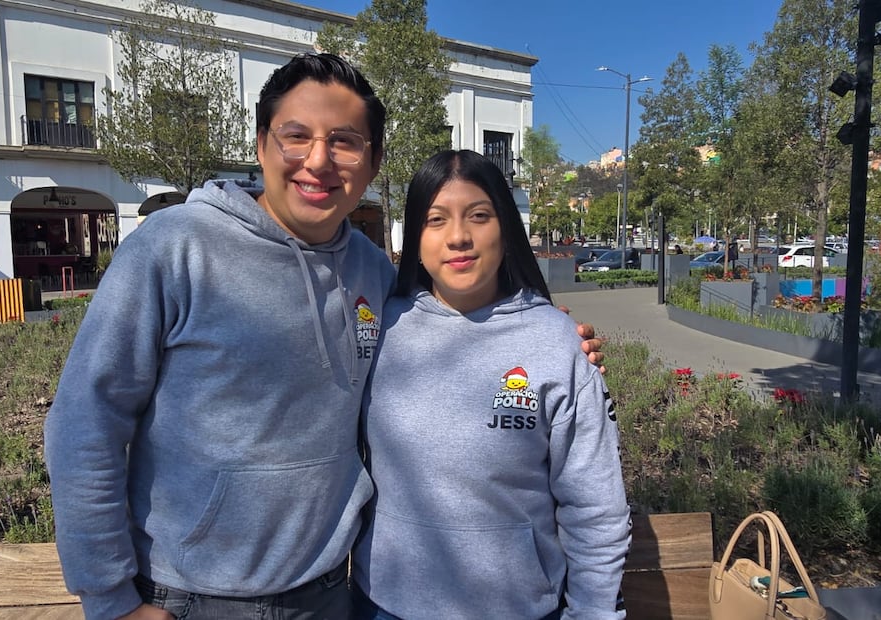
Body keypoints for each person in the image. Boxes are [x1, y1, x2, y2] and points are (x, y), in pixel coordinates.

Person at [44, 54, 603, 620]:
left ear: (373, 161)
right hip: (192, 599)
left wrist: (551, 342)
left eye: (344, 141)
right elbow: (86, 420)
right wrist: (110, 599)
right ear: (262, 144)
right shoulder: (172, 249)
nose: (318, 160)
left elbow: (457, 324)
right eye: (296, 136)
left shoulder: (370, 269)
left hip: (332, 594)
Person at [351, 150, 631, 620]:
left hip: (519, 609)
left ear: (506, 228)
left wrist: (595, 612)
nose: (458, 237)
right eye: (435, 220)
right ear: (414, 237)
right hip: (383, 605)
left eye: (478, 216)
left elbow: (594, 508)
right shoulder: (379, 327)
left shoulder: (558, 344)